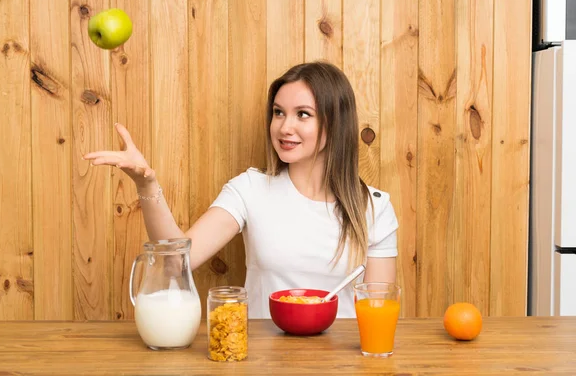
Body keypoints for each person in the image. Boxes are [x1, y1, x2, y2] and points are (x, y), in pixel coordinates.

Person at [84, 61, 399, 319]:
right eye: (278, 112)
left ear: (335, 123)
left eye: (303, 114)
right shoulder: (251, 189)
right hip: (263, 360)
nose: (284, 127)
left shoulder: (375, 208)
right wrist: (147, 184)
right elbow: (175, 261)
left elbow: (379, 311)